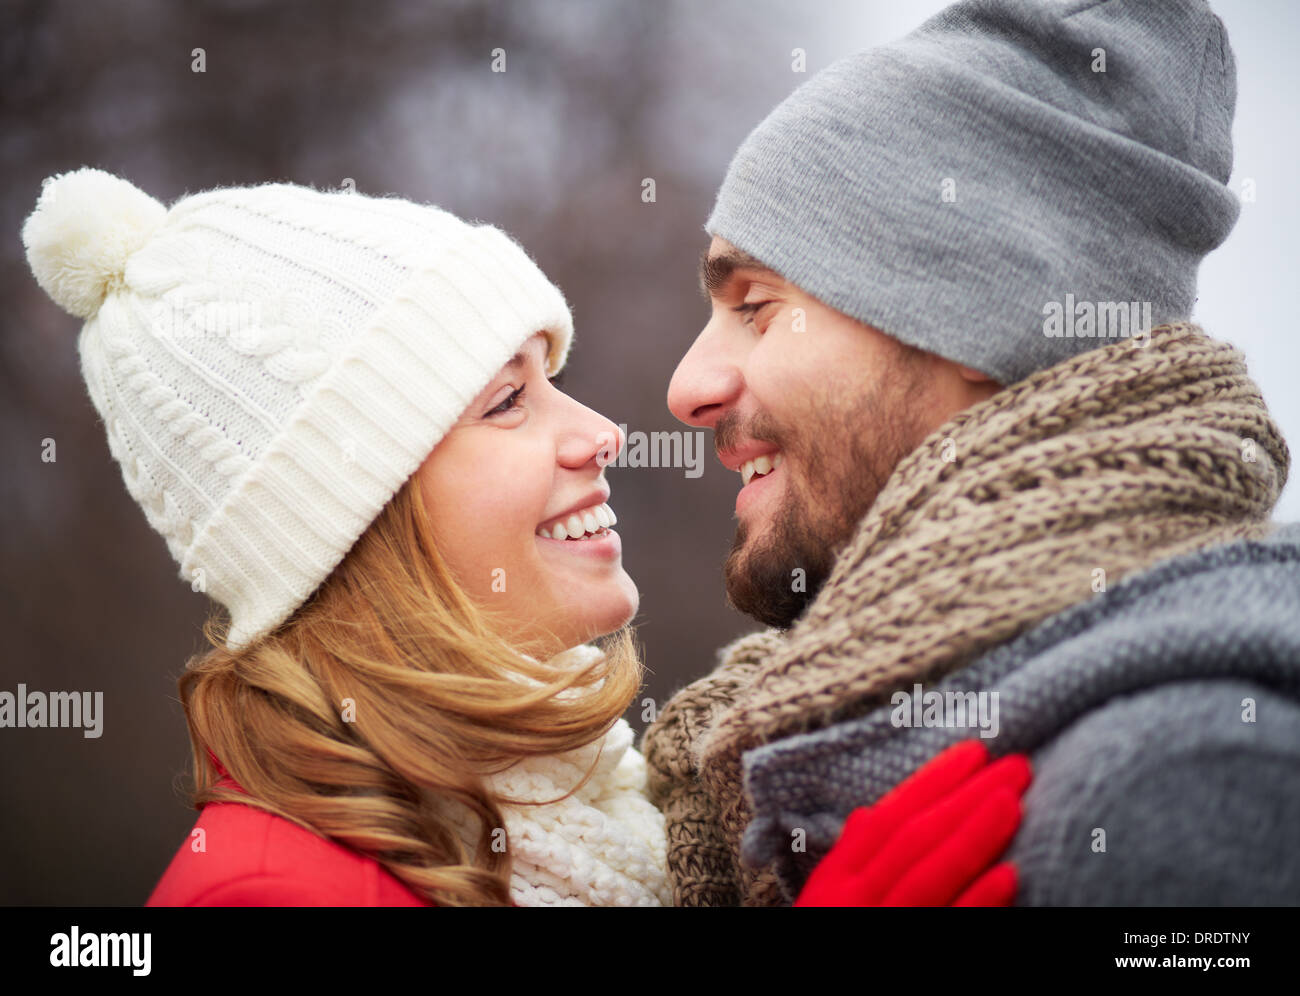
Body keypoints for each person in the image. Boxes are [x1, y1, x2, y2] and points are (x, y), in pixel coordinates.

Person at [23, 167, 1029, 907]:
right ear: (353, 519)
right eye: (507, 402)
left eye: (551, 378)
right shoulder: (263, 894)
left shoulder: (610, 817)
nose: (599, 433)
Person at [643, 0, 1300, 906]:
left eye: (758, 306)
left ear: (978, 326)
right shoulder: (807, 742)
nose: (687, 387)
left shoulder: (1178, 780)